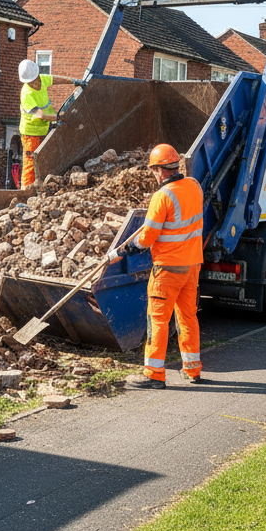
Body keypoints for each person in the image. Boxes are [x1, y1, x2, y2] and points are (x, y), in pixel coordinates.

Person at [108, 144, 204, 389]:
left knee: (158, 320)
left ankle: (154, 374)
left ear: (161, 170)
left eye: (154, 170)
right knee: (188, 316)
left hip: (168, 268)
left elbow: (147, 238)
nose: (154, 175)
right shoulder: (194, 186)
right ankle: (192, 370)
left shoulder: (162, 196)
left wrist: (124, 250)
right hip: (192, 265)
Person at [18, 59, 84, 188]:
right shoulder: (26, 94)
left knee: (44, 159)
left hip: (44, 129)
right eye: (30, 82)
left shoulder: (42, 79)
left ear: (38, 75)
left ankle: (40, 188)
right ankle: (25, 191)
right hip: (30, 134)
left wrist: (73, 81)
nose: (34, 84)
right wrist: (60, 117)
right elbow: (41, 115)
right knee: (31, 163)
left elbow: (56, 79)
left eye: (35, 80)